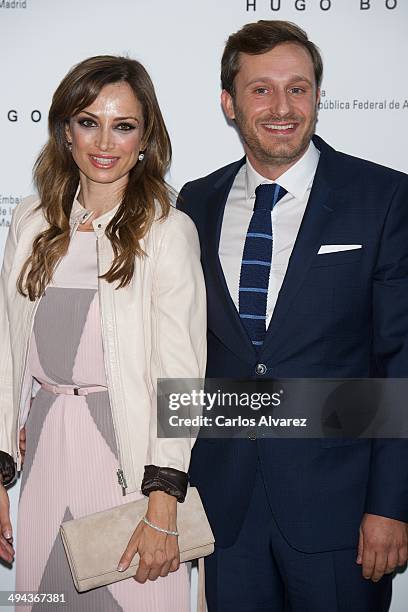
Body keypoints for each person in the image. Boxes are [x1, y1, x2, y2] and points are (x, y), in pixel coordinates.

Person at [177, 20, 408, 612]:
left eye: (298, 88)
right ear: (229, 103)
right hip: (225, 510)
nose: (282, 107)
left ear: (318, 96)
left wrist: (391, 505)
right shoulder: (193, 204)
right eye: (261, 89)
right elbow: (180, 349)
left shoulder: (382, 198)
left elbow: (398, 362)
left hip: (343, 514)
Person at [0, 55, 206, 611]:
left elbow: (181, 377)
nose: (104, 141)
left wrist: (164, 500)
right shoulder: (31, 222)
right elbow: (6, 355)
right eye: (88, 121)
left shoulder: (167, 229)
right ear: (66, 131)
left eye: (124, 125)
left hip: (128, 461)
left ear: (146, 139)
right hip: (44, 454)